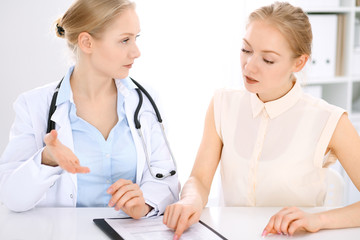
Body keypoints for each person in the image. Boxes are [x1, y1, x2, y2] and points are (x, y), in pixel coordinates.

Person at [163, 1, 360, 239]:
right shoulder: (223, 103)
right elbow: (200, 179)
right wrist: (190, 200)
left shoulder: (330, 120)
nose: (249, 66)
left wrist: (317, 220)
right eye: (246, 50)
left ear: (299, 62)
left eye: (267, 60)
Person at [0, 0, 179, 219]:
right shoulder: (34, 105)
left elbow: (166, 180)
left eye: (135, 38)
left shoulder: (145, 102)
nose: (136, 52)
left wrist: (145, 204)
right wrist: (47, 158)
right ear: (87, 43)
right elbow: (12, 197)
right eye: (124, 40)